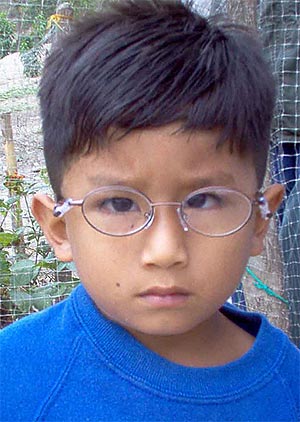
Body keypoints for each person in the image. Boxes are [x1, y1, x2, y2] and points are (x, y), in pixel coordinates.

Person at [1, 1, 299, 421]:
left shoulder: (289, 388)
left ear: (259, 219)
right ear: (59, 227)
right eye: (119, 203)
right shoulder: (14, 380)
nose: (165, 251)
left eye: (205, 200)